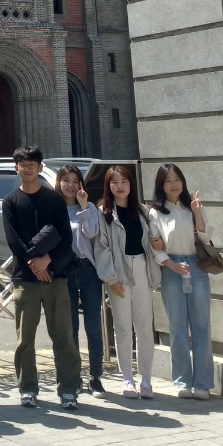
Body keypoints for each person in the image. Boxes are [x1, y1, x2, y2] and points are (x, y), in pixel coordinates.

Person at [0, 147, 82, 409]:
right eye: (22, 164)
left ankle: (68, 390)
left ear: (39, 167)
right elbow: (14, 241)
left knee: (64, 337)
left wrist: (49, 262)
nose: (27, 169)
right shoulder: (10, 201)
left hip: (56, 278)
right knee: (25, 339)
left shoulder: (54, 199)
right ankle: (27, 388)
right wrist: (35, 264)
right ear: (16, 168)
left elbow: (65, 238)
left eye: (32, 164)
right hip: (25, 280)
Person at [148, 164, 214, 401]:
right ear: (161, 185)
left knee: (202, 325)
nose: (173, 185)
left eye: (177, 180)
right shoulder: (155, 212)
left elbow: (206, 238)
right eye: (167, 181)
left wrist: (197, 212)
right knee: (177, 328)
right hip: (172, 270)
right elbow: (155, 246)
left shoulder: (192, 207)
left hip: (196, 267)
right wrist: (171, 264)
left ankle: (204, 383)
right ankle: (184, 381)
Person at [94, 165, 158, 398]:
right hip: (118, 273)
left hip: (141, 267)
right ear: (108, 186)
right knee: (122, 327)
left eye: (124, 181)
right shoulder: (103, 213)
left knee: (144, 327)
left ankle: (147, 380)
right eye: (114, 182)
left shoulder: (142, 211)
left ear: (131, 185)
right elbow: (101, 248)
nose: (119, 186)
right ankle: (127, 379)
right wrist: (111, 278)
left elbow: (154, 240)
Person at [56, 163, 105, 397]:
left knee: (93, 326)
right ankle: (73, 376)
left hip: (88, 270)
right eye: (66, 180)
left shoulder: (90, 208)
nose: (71, 185)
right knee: (70, 327)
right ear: (59, 183)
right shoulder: (54, 208)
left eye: (76, 181)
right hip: (66, 271)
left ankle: (95, 377)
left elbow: (92, 233)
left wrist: (85, 206)